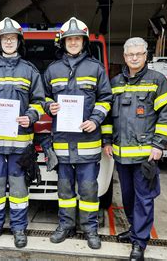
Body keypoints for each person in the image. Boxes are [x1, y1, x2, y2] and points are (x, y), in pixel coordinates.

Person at [0, 17, 45, 248]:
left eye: (12, 38)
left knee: (19, 189)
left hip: (20, 142)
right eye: (5, 38)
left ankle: (19, 229)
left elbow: (39, 101)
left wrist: (31, 116)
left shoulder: (30, 71)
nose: (9, 42)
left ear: (18, 41)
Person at [103, 37, 167, 260]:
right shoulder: (115, 82)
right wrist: (107, 141)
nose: (134, 58)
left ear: (146, 56)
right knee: (127, 197)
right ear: (124, 57)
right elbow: (107, 116)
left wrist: (158, 145)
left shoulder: (158, 80)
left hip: (146, 155)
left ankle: (139, 242)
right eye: (130, 54)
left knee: (144, 198)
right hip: (121, 155)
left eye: (139, 54)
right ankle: (135, 231)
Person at [43, 17, 112, 250]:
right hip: (62, 144)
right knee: (64, 190)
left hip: (88, 143)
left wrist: (95, 120)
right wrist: (48, 106)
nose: (73, 43)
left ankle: (90, 229)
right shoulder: (52, 70)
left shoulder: (96, 68)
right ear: (63, 43)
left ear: (84, 41)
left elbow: (106, 98)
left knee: (89, 190)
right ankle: (65, 226)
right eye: (69, 39)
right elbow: (42, 97)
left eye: (77, 39)